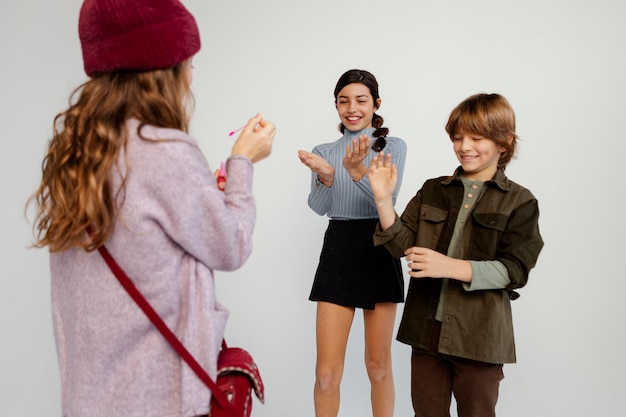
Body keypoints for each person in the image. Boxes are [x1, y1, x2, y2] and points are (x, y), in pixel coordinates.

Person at [26, 0, 275, 416]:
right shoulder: (164, 151)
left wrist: (204, 197)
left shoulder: (77, 153)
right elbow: (232, 245)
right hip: (159, 400)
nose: (191, 78)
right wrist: (243, 163)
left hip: (90, 402)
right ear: (163, 69)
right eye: (188, 63)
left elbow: (140, 239)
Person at [368, 93, 544, 417]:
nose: (465, 146)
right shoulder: (434, 189)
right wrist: (382, 199)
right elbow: (400, 245)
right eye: (458, 137)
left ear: (504, 143)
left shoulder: (520, 202)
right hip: (425, 334)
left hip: (479, 339)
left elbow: (515, 269)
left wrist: (448, 266)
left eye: (477, 138)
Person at [297, 69, 407, 417]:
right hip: (339, 246)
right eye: (344, 101)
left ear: (376, 104)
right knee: (326, 374)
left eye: (361, 100)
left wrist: (357, 170)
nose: (352, 108)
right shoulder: (323, 151)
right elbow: (319, 208)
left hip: (379, 243)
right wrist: (327, 178)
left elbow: (384, 200)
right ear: (336, 106)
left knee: (378, 366)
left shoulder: (393, 147)